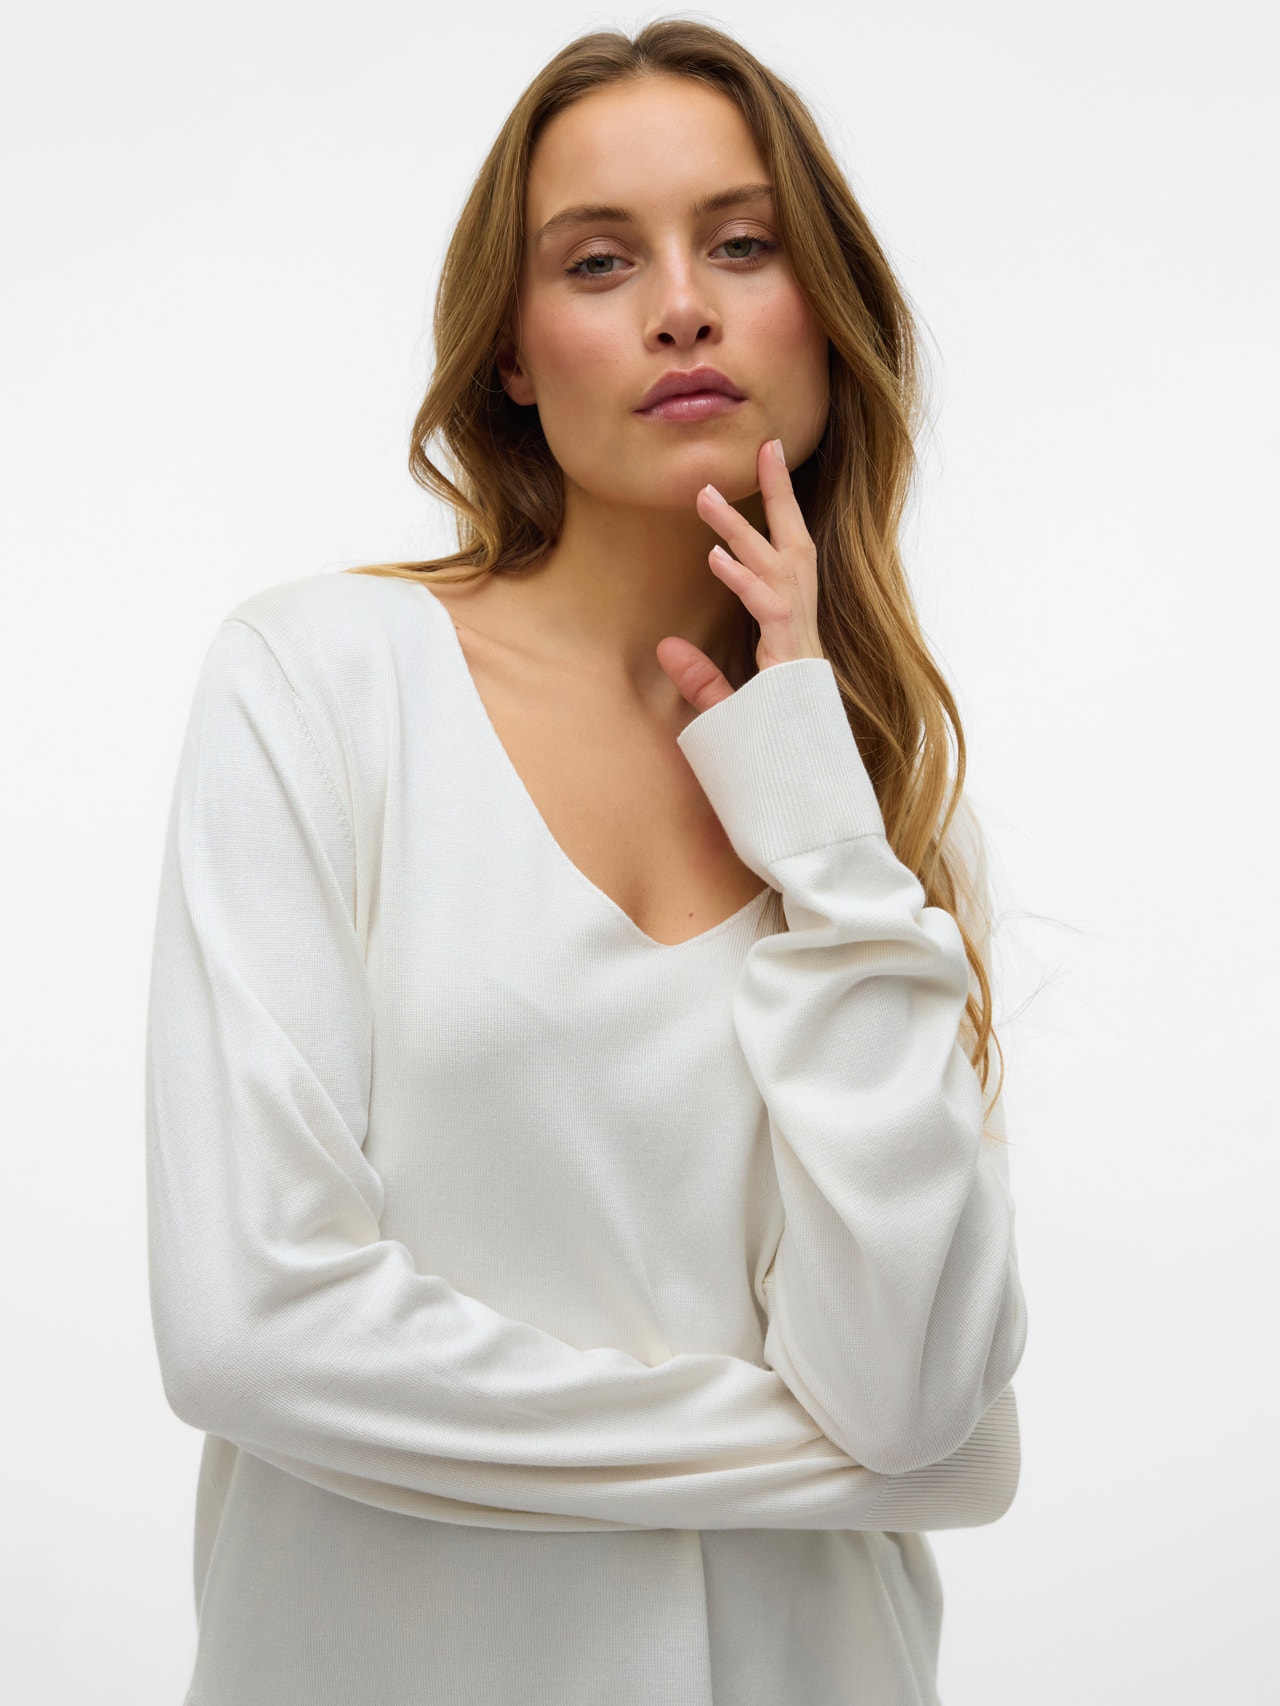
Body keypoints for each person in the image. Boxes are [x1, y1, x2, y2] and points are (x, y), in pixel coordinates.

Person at [144, 19, 1028, 1706]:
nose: (681, 306)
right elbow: (248, 1326)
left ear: (828, 314)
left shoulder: (883, 820)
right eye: (601, 260)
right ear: (512, 352)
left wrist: (827, 836)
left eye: (743, 243)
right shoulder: (320, 686)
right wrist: (846, 1462)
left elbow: (911, 1393)